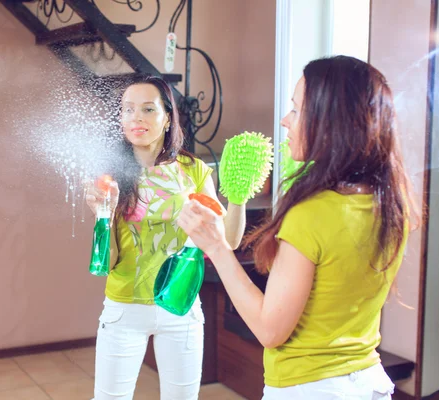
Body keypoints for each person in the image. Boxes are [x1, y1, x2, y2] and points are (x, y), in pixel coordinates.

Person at [178, 55, 417, 399]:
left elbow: (269, 330)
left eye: (296, 109)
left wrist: (216, 246)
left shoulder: (312, 214)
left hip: (310, 389)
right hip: (369, 383)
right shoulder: (392, 204)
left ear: (330, 122)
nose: (285, 120)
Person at [85, 74, 246, 400]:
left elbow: (226, 243)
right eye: (128, 110)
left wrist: (239, 197)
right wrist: (104, 215)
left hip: (181, 306)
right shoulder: (111, 175)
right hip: (124, 309)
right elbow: (106, 264)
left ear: (168, 117)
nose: (136, 118)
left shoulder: (194, 170)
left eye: (147, 109)